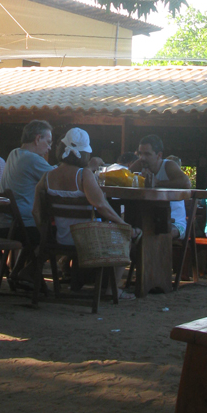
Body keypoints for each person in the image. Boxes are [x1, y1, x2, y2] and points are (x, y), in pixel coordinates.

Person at [32, 127, 141, 299]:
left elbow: (36, 212)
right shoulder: (84, 175)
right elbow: (101, 205)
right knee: (124, 237)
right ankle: (112, 289)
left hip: (61, 239)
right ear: (84, 154)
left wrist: (47, 237)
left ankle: (78, 280)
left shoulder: (46, 177)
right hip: (88, 240)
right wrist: (124, 225)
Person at [0, 119, 55, 247]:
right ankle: (57, 264)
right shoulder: (32, 159)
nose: (49, 148)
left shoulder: (14, 153)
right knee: (65, 235)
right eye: (48, 142)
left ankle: (28, 266)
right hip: (19, 228)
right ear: (37, 139)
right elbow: (60, 177)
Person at [129, 135, 191, 240]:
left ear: (159, 155)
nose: (142, 158)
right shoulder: (140, 164)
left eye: (147, 154)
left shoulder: (168, 166)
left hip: (174, 223)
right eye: (140, 153)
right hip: (147, 220)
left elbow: (186, 183)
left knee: (154, 233)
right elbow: (124, 176)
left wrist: (157, 183)